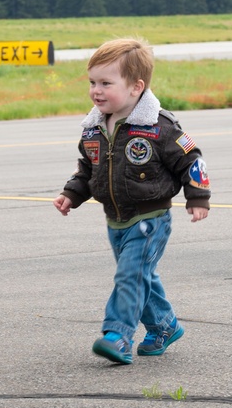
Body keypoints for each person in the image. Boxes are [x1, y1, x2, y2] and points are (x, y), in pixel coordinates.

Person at [53, 38, 211, 364]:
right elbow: (88, 169)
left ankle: (118, 336)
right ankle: (165, 326)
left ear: (136, 87)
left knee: (129, 277)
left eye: (106, 83)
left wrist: (197, 197)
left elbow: (191, 161)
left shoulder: (159, 127)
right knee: (141, 277)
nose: (96, 91)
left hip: (150, 217)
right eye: (92, 82)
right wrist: (71, 193)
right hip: (116, 219)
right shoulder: (94, 128)